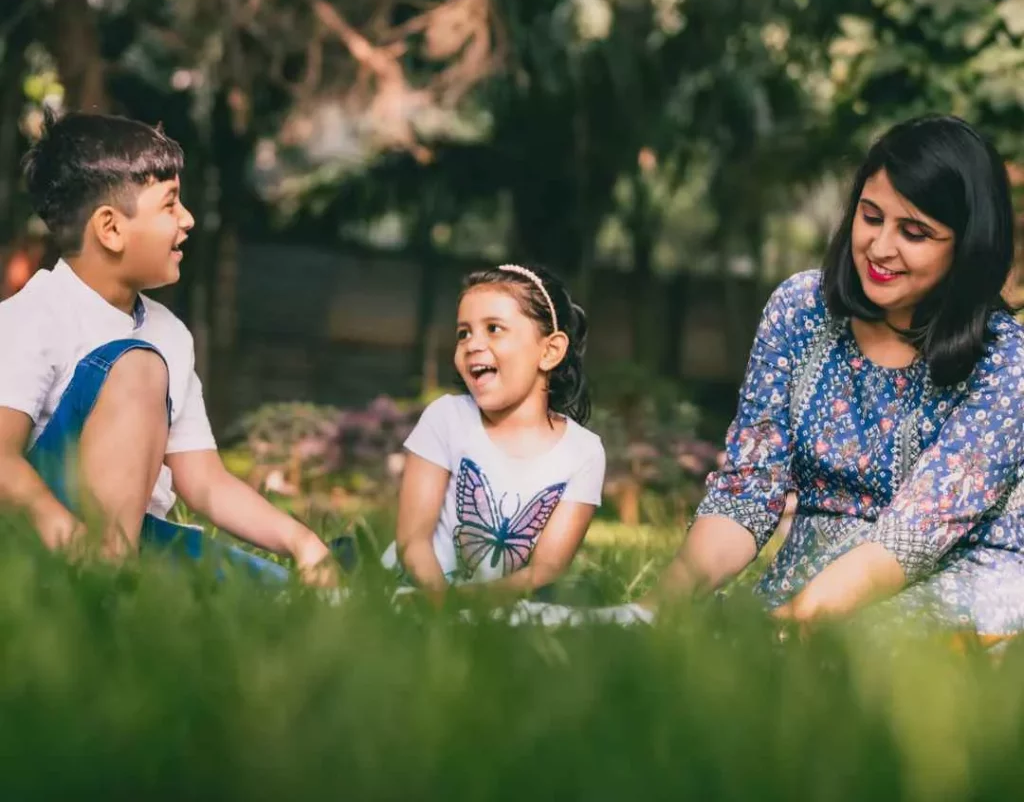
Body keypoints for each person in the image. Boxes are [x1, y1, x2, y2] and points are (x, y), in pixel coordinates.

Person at [645, 114, 1024, 636]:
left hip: (959, 578)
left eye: (914, 232)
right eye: (871, 218)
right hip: (815, 574)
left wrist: (790, 629)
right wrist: (651, 609)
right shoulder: (801, 309)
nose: (881, 247)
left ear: (967, 248)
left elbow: (916, 534)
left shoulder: (1005, 360)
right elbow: (747, 491)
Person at [0, 108, 335, 585]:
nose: (189, 219)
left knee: (283, 599)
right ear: (111, 229)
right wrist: (68, 538)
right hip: (35, 537)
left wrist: (304, 542)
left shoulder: (168, 333)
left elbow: (204, 481)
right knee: (136, 367)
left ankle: (121, 576)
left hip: (140, 537)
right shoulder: (31, 316)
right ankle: (102, 590)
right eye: (170, 204)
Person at [385, 263, 606, 597]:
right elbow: (413, 541)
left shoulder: (584, 453)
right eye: (464, 333)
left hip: (495, 602)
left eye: (494, 328)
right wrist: (439, 604)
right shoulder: (447, 418)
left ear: (549, 351)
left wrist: (469, 604)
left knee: (584, 596)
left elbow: (545, 570)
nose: (472, 344)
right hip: (412, 586)